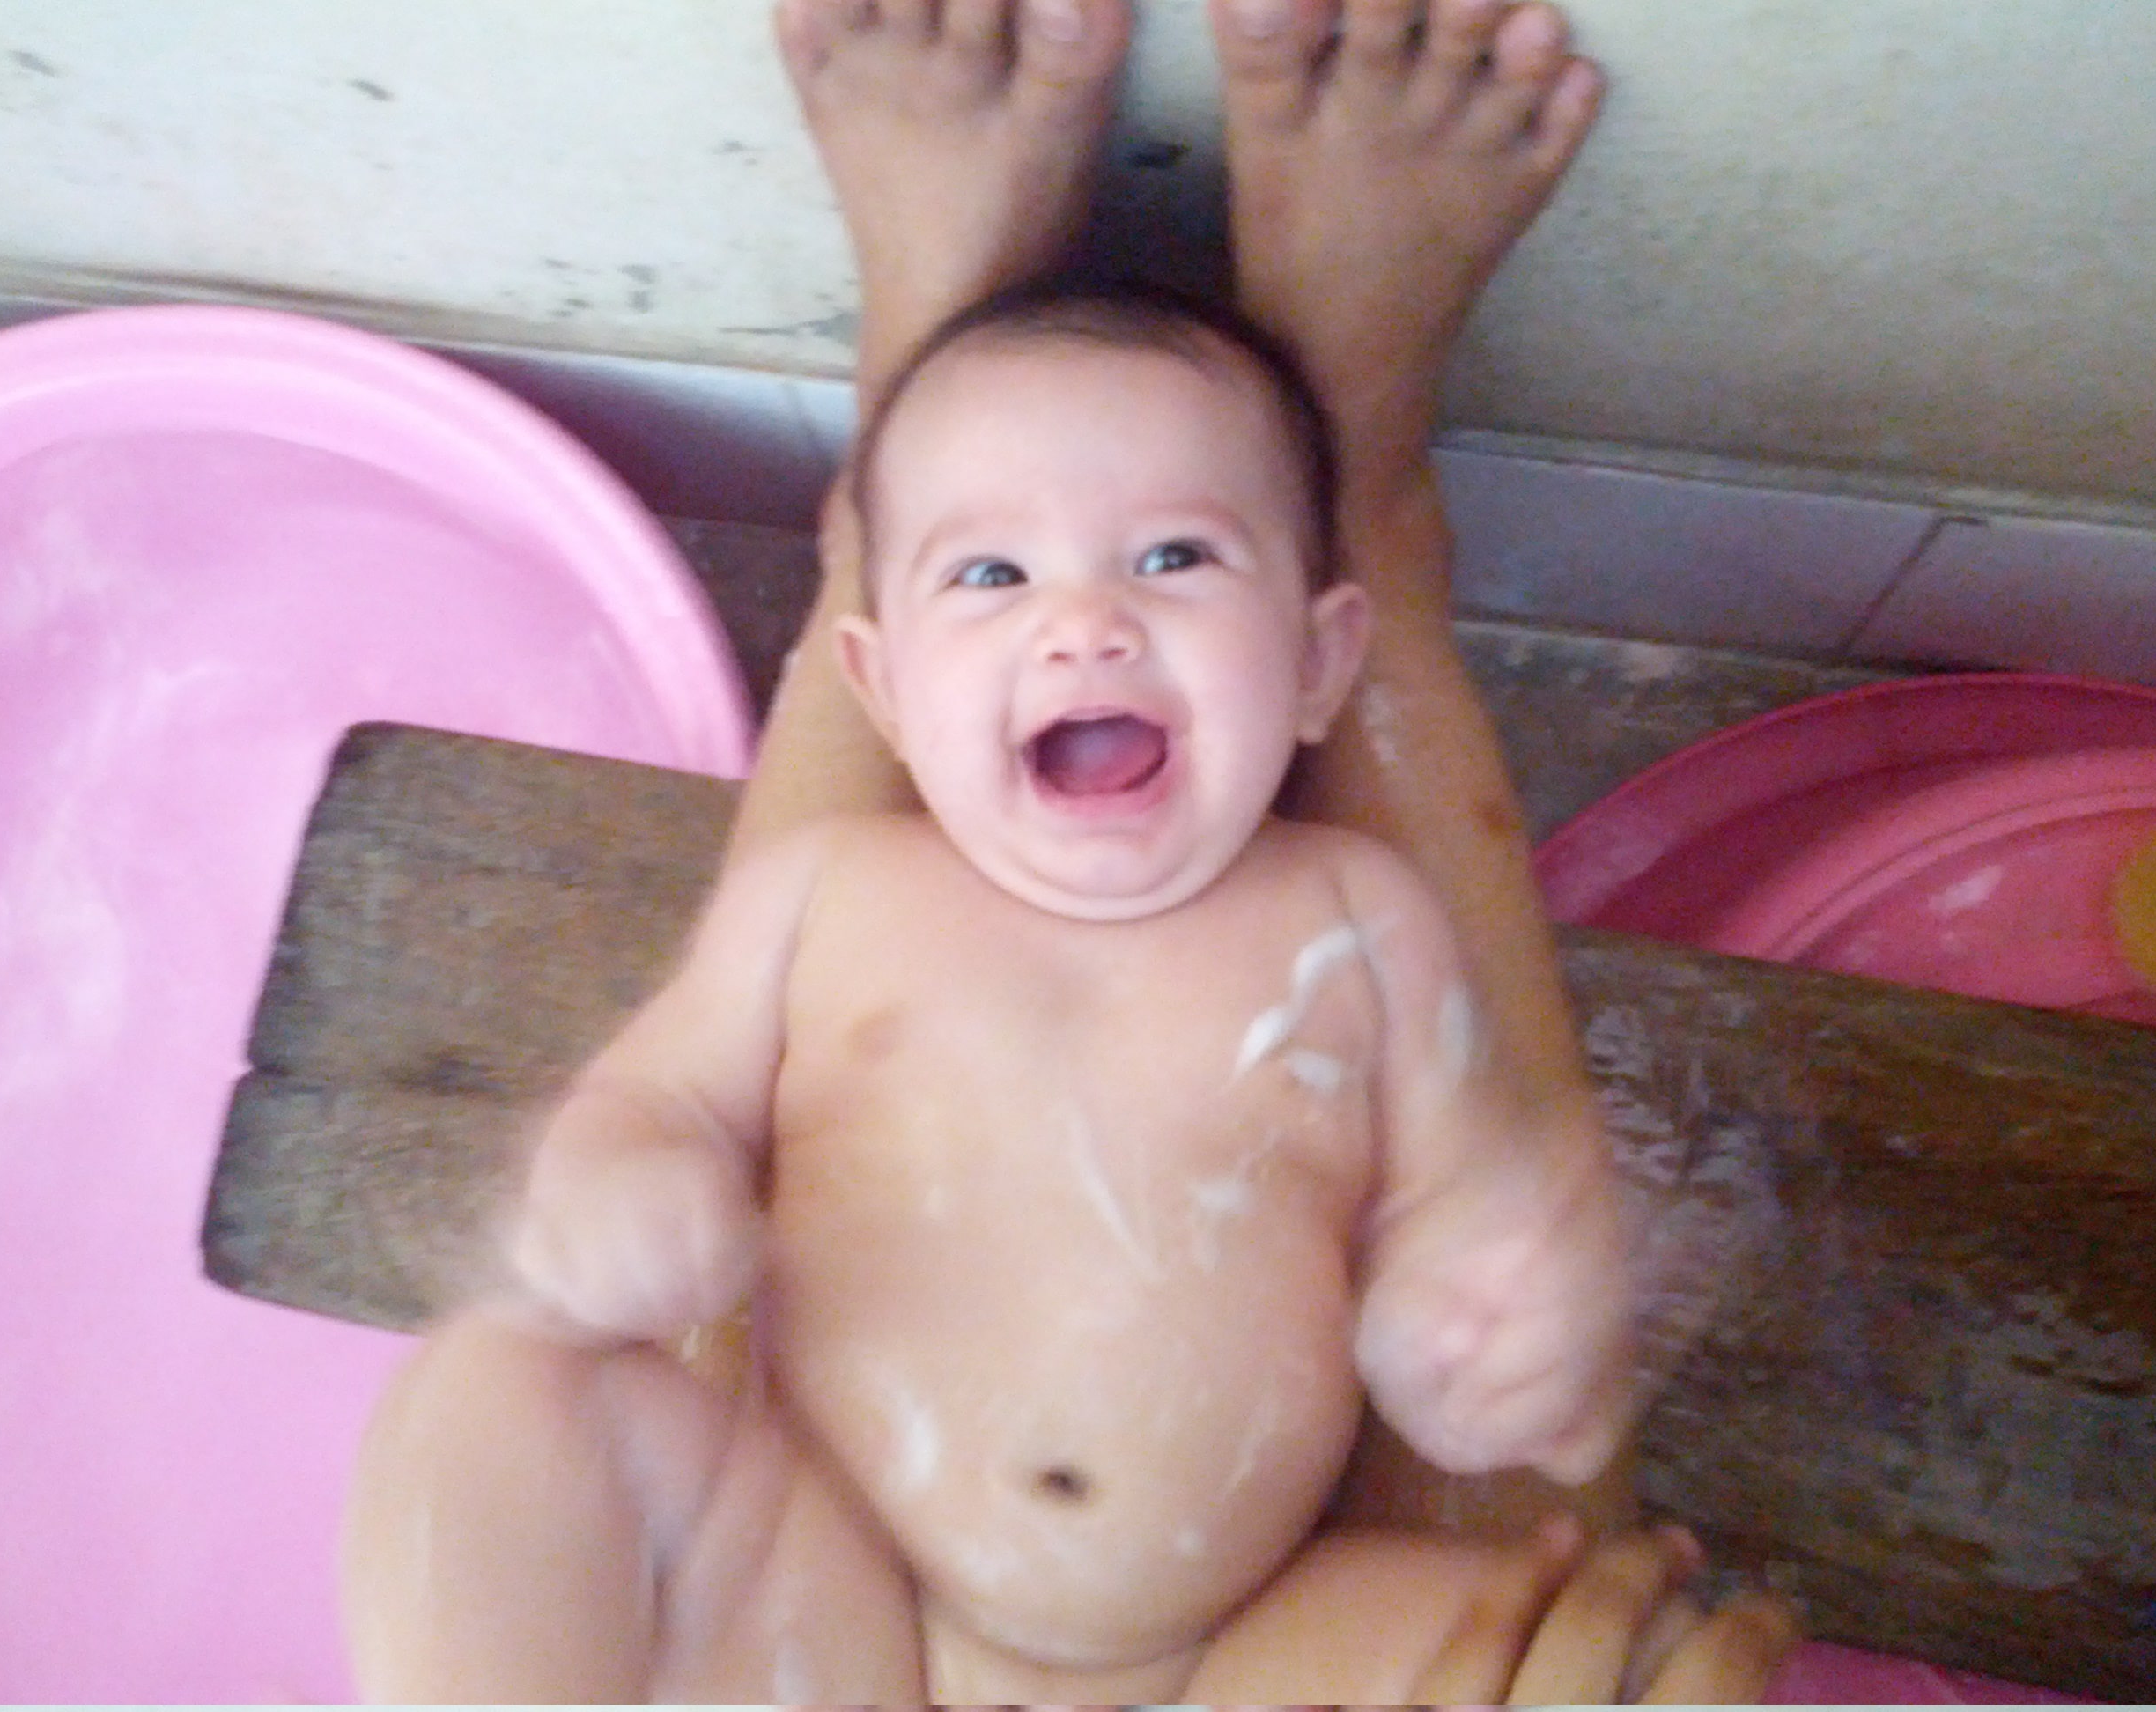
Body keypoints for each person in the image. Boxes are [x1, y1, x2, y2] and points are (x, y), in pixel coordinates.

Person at [343, 0, 1799, 1700]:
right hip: (848, 1602)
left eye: (1176, 557)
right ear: (885, 694)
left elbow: (1457, 1179)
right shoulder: (830, 899)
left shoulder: (1360, 916)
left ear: (1319, 663)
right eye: (991, 575)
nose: (1087, 623)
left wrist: (1479, 1310)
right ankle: (1335, 463)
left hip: (1175, 1641)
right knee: (511, 1401)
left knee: (500, 1389)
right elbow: (666, 1086)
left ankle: (986, 404)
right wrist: (625, 1172)